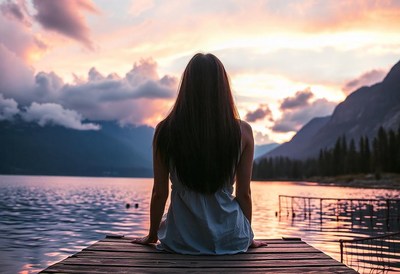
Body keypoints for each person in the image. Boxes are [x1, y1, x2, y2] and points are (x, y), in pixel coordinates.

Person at [132, 53, 267, 254]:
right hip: (231, 239)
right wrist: (248, 237)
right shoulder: (243, 132)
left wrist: (152, 235)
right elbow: (244, 194)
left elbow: (160, 192)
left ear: (186, 86)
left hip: (180, 241)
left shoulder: (165, 130)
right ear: (222, 88)